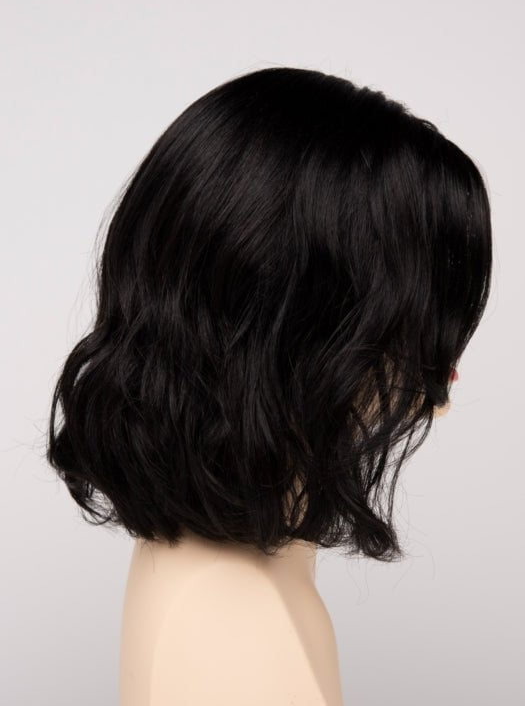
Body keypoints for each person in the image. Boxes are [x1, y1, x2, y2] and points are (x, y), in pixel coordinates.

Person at [45, 66, 492, 705]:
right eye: (412, 332)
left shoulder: (232, 582)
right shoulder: (239, 631)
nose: (441, 383)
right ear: (297, 338)